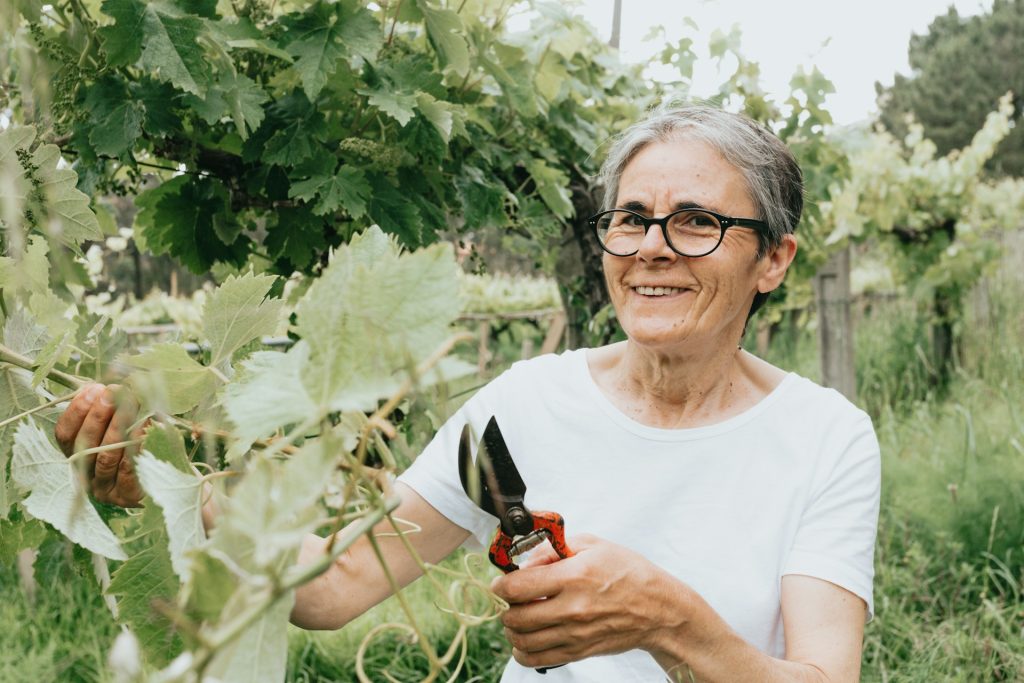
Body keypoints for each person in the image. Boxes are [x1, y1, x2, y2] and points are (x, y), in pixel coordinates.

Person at [55, 103, 880, 682]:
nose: (652, 248)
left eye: (697, 221)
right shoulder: (520, 407)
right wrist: (179, 489)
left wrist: (667, 617)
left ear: (772, 258)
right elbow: (338, 586)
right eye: (630, 219)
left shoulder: (823, 438)